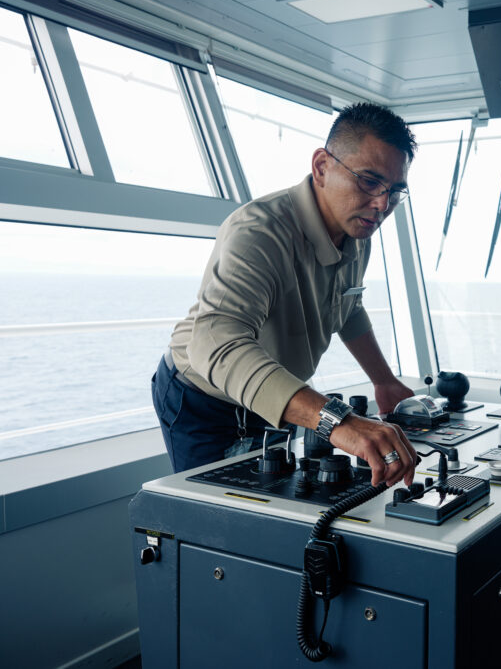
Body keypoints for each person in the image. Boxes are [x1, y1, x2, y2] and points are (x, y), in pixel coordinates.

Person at [152, 102, 417, 487]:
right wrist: (336, 420)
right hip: (203, 401)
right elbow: (213, 345)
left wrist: (383, 380)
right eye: (368, 181)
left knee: (273, 510)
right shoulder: (259, 230)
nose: (381, 205)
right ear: (322, 167)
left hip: (273, 392)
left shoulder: (357, 232)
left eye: (394, 191)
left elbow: (349, 305)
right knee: (217, 527)